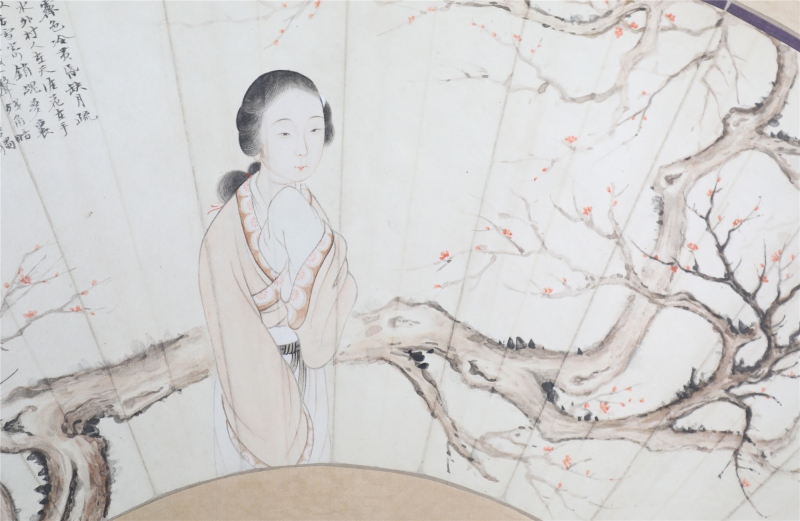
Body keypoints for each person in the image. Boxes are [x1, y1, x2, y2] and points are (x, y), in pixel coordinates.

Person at [198, 70, 357, 474]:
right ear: (257, 140)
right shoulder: (226, 232)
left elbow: (338, 286)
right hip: (251, 379)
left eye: (314, 130)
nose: (303, 148)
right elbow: (231, 325)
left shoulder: (303, 203)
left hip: (308, 372)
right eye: (285, 133)